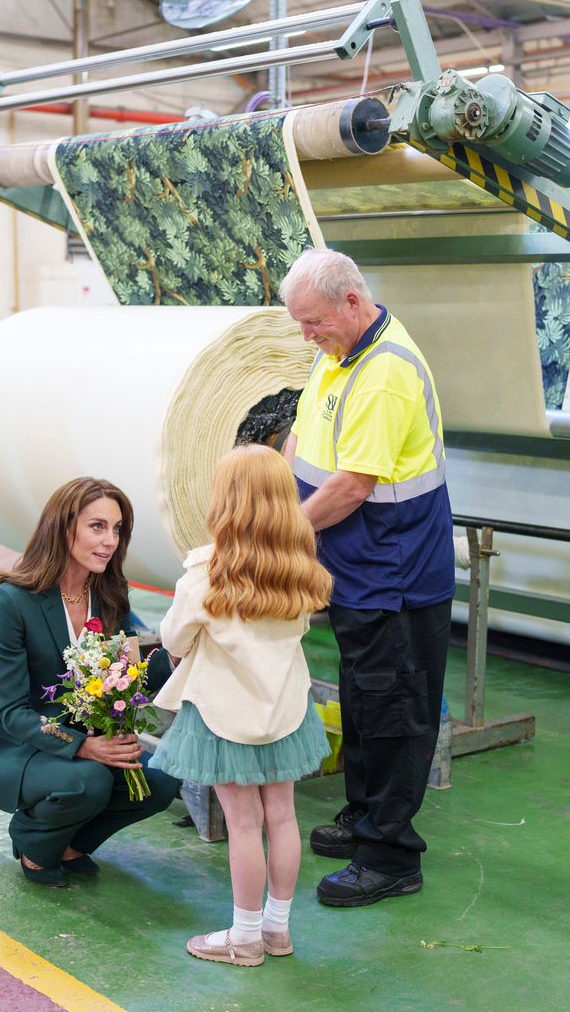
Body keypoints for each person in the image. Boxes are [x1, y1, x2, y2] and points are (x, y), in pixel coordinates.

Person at [279, 248, 455, 909]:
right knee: (361, 700)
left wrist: (279, 534)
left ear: (352, 302)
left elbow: (352, 486)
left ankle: (389, 855)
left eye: (313, 322)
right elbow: (302, 439)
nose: (306, 336)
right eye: (300, 324)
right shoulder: (337, 354)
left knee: (394, 711)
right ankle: (362, 816)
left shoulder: (383, 372)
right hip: (354, 572)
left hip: (395, 575)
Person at [148, 445, 332, 967]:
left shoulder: (206, 574)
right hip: (286, 710)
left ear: (225, 502)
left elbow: (174, 639)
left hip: (223, 713)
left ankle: (244, 937)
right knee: (283, 816)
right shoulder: (300, 570)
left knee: (244, 825)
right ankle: (277, 930)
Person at [0, 477, 179, 887]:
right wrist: (83, 746)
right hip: (22, 746)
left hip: (85, 737)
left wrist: (175, 657)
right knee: (90, 780)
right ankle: (31, 841)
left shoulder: (110, 591)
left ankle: (70, 844)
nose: (110, 541)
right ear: (65, 528)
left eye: (117, 529)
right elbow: (12, 712)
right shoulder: (13, 599)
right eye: (97, 527)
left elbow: (119, 679)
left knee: (160, 781)